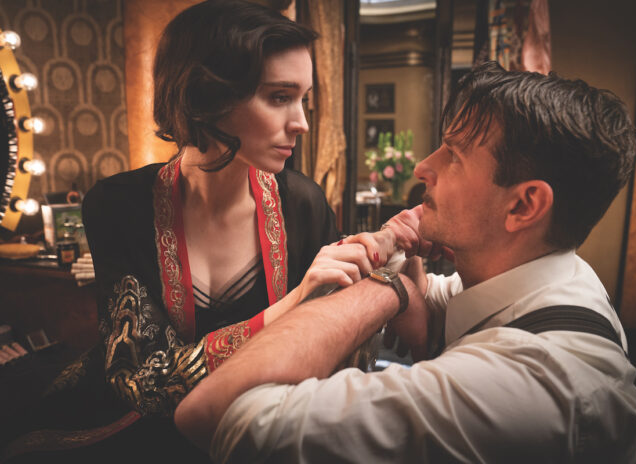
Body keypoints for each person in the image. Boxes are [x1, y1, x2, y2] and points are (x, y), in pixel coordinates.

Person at [174, 62, 636, 463]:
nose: (424, 166)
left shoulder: (527, 389)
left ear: (524, 206)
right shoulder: (559, 277)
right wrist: (405, 274)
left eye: (454, 156)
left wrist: (385, 287)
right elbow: (434, 304)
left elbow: (217, 412)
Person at [3, 1, 375, 461]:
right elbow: (144, 381)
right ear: (207, 96)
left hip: (258, 430)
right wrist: (296, 301)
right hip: (135, 430)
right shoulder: (117, 205)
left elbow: (337, 353)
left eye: (304, 99)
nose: (301, 122)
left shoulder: (304, 204)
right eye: (280, 97)